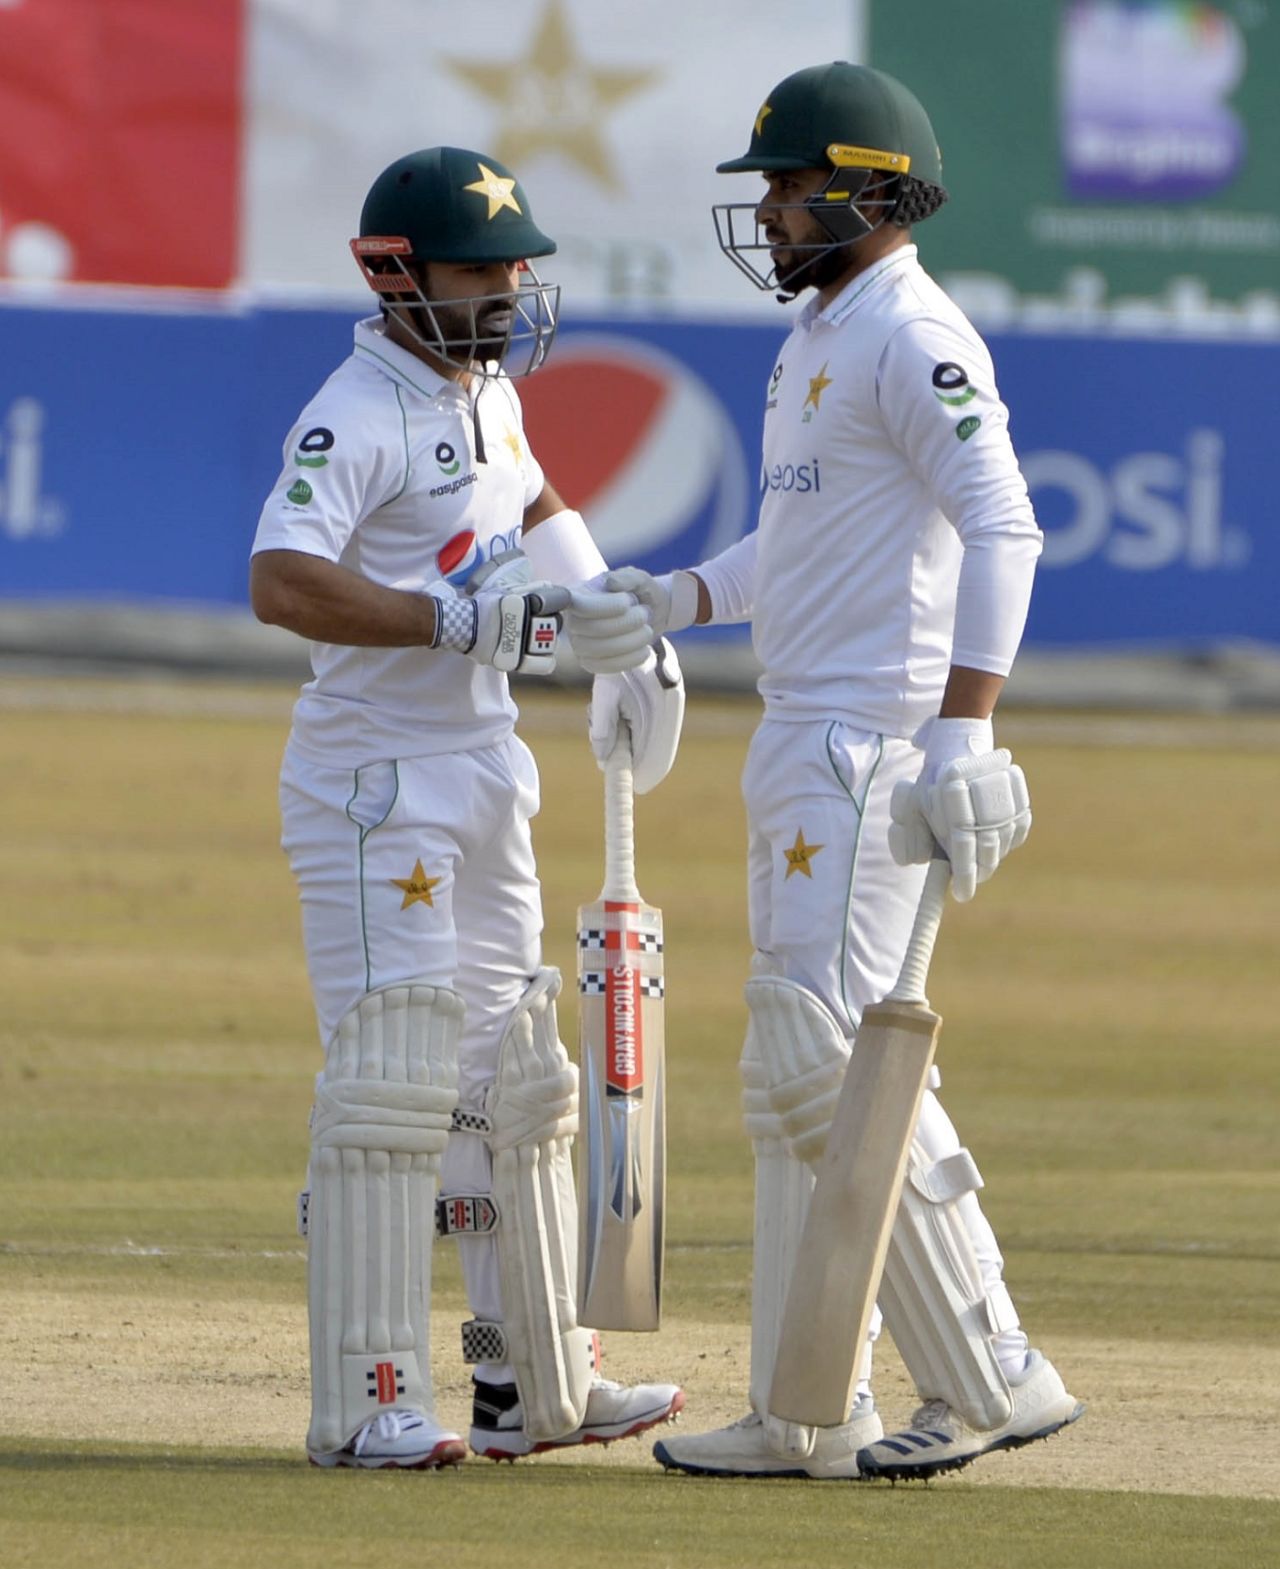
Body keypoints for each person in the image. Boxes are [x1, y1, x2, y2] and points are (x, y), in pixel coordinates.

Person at [567, 63, 1083, 1481]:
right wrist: (674, 598)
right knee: (790, 1073)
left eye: (794, 187)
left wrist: (967, 725)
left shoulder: (913, 335)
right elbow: (787, 557)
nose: (775, 211)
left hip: (872, 742)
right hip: (803, 732)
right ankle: (811, 1407)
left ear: (871, 188)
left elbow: (1008, 527)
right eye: (772, 189)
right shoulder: (815, 342)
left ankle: (993, 1365)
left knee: (826, 1057)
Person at [249, 145, 685, 1470]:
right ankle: (370, 1398)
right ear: (395, 275)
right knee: (394, 1093)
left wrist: (613, 619)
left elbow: (536, 498)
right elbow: (280, 577)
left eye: (515, 264)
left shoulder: (485, 386)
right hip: (375, 784)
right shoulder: (355, 409)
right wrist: (444, 616)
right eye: (478, 265)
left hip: (487, 768)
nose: (506, 287)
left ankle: (527, 1378)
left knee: (510, 1082)